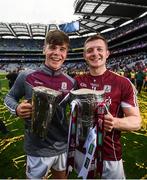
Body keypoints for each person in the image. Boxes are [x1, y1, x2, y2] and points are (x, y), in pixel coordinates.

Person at [4, 30, 76, 179]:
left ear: (66, 53)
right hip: (37, 148)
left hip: (62, 144)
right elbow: (9, 97)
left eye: (62, 49)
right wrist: (17, 108)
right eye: (52, 47)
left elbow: (75, 110)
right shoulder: (27, 76)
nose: (57, 53)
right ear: (44, 49)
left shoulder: (71, 82)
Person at [74, 34, 141, 179]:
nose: (95, 53)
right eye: (90, 50)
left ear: (107, 53)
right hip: (81, 151)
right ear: (85, 55)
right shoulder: (77, 81)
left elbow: (136, 122)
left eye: (99, 49)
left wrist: (115, 122)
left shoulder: (122, 83)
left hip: (110, 155)